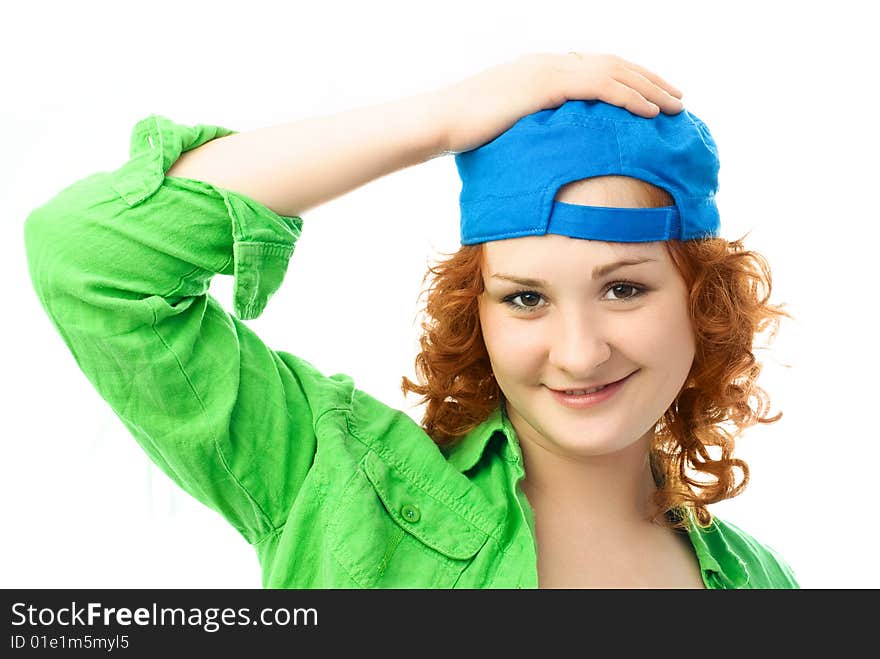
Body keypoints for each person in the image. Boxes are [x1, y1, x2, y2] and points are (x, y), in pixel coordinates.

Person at [23, 51, 798, 588]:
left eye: (624, 289)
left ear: (704, 302)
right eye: (526, 297)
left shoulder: (762, 584)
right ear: (479, 314)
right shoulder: (338, 484)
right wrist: (437, 121)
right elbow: (89, 256)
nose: (578, 350)